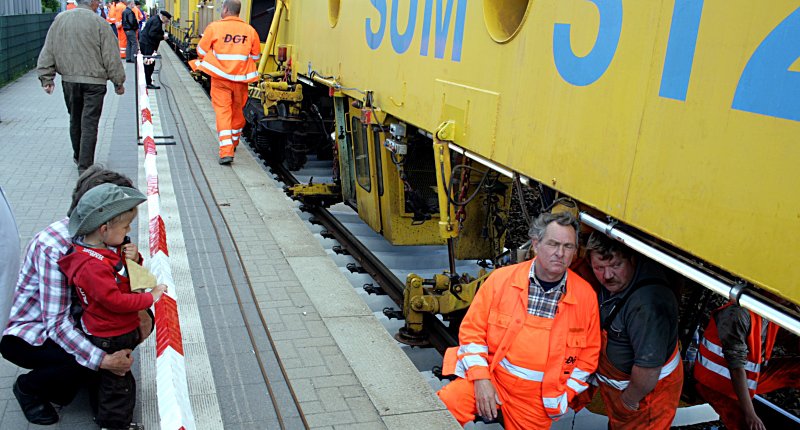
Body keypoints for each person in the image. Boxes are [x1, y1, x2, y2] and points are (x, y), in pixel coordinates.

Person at [0, 166, 153, 425]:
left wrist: (134, 268)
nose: (126, 229)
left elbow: (128, 286)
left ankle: (93, 373)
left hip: (82, 315)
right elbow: (56, 323)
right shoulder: (53, 246)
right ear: (101, 220)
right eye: (124, 221)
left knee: (141, 320)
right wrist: (102, 359)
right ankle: (30, 388)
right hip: (33, 331)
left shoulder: (107, 235)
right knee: (81, 360)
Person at [437, 211, 601, 429]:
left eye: (568, 246)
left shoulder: (584, 296)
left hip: (539, 397)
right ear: (535, 244)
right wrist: (480, 378)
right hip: (494, 376)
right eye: (553, 244)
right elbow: (472, 332)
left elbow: (588, 357)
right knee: (445, 406)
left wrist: (566, 393)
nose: (560, 253)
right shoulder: (501, 280)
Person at [59, 183, 167, 430]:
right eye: (125, 226)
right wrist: (151, 297)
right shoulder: (93, 266)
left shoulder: (93, 251)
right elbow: (115, 300)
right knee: (119, 385)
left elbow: (120, 275)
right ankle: (116, 424)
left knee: (106, 379)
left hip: (102, 329)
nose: (129, 230)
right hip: (112, 333)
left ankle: (102, 414)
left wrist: (133, 259)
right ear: (104, 228)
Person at [584, 233, 683, 429]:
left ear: (632, 259)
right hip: (619, 397)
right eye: (599, 268)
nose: (608, 275)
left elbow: (648, 369)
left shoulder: (647, 307)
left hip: (644, 404)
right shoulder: (620, 282)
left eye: (616, 266)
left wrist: (628, 402)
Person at [37, 0, 126, 175]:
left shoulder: (60, 20)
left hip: (69, 80)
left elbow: (49, 49)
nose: (99, 3)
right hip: (95, 83)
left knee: (75, 118)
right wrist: (118, 81)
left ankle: (79, 155)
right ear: (93, 3)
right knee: (90, 123)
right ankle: (85, 166)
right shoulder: (100, 23)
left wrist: (47, 78)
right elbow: (110, 55)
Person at [694, 302, 800, 430]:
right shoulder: (737, 315)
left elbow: (787, 339)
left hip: (748, 378)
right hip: (716, 384)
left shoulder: (772, 311)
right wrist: (750, 414)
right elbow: (736, 368)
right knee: (746, 426)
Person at [190, 0, 261, 165]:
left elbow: (200, 51)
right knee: (237, 112)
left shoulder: (215, 27)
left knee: (223, 113)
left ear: (226, 9)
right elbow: (256, 56)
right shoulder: (250, 31)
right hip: (241, 80)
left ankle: (226, 151)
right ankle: (234, 142)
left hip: (220, 79)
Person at [138, 10, 172, 89]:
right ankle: (148, 83)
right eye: (167, 20)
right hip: (148, 44)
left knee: (148, 62)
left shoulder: (155, 19)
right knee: (149, 63)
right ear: (163, 17)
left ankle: (148, 81)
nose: (167, 22)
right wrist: (163, 37)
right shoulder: (157, 22)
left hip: (145, 42)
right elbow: (152, 34)